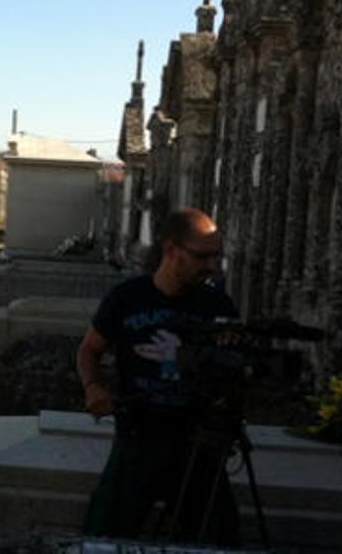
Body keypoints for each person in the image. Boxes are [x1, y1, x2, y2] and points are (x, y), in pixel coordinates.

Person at [76, 208, 240, 545]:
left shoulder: (218, 306)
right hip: (139, 436)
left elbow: (231, 370)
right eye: (202, 256)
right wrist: (92, 387)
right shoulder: (127, 298)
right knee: (104, 535)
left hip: (197, 441)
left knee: (217, 537)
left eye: (216, 256)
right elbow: (89, 350)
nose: (211, 266)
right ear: (171, 250)